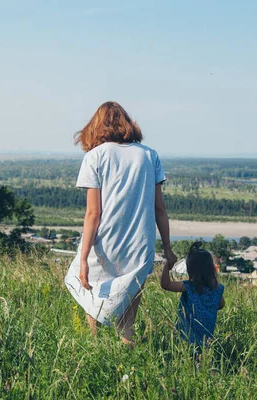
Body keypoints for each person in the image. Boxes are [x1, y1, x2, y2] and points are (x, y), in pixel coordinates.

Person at [64, 101, 177, 345]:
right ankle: (126, 356)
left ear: (95, 126)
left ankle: (95, 348)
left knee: (92, 295)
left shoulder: (95, 157)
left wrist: (83, 259)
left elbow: (93, 213)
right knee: (128, 318)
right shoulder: (149, 155)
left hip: (105, 243)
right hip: (140, 245)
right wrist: (167, 248)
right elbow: (159, 208)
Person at [160, 242, 225, 346]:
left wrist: (167, 265)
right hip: (206, 340)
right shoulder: (217, 288)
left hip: (184, 339)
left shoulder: (190, 287)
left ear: (191, 269)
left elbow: (166, 284)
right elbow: (221, 305)